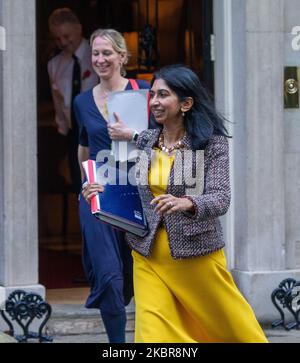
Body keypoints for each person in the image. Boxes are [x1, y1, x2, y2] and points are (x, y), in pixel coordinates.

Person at [125, 65, 268, 343]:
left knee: (235, 331)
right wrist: (99, 190)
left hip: (196, 257)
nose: (154, 101)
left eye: (163, 95)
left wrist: (187, 202)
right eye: (152, 94)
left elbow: (220, 197)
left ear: (186, 103)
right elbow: (132, 190)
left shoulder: (210, 144)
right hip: (148, 254)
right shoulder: (146, 142)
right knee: (154, 337)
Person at [75, 28, 150, 343]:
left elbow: (164, 142)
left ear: (122, 56)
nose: (100, 59)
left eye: (107, 53)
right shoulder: (82, 101)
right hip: (100, 197)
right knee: (108, 275)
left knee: (133, 279)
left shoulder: (144, 91)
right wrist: (85, 182)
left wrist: (132, 135)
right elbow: (83, 147)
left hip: (137, 192)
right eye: (96, 53)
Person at [47, 8, 98, 193]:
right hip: (74, 135)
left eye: (66, 36)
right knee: (81, 188)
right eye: (57, 38)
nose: (63, 42)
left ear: (79, 28)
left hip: (99, 131)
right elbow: (59, 104)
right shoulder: (54, 64)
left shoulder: (98, 55)